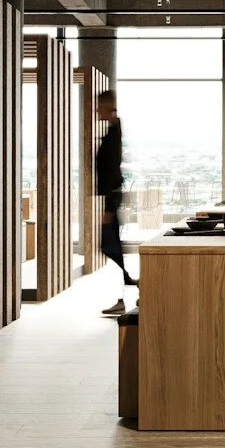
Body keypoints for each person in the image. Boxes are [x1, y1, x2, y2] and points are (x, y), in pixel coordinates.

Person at [95, 90, 133, 315]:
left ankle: (127, 292)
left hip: (112, 197)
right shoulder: (113, 130)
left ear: (108, 106)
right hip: (112, 197)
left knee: (110, 247)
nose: (96, 110)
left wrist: (108, 208)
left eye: (100, 106)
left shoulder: (113, 134)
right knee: (112, 247)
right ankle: (125, 292)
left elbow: (111, 171)